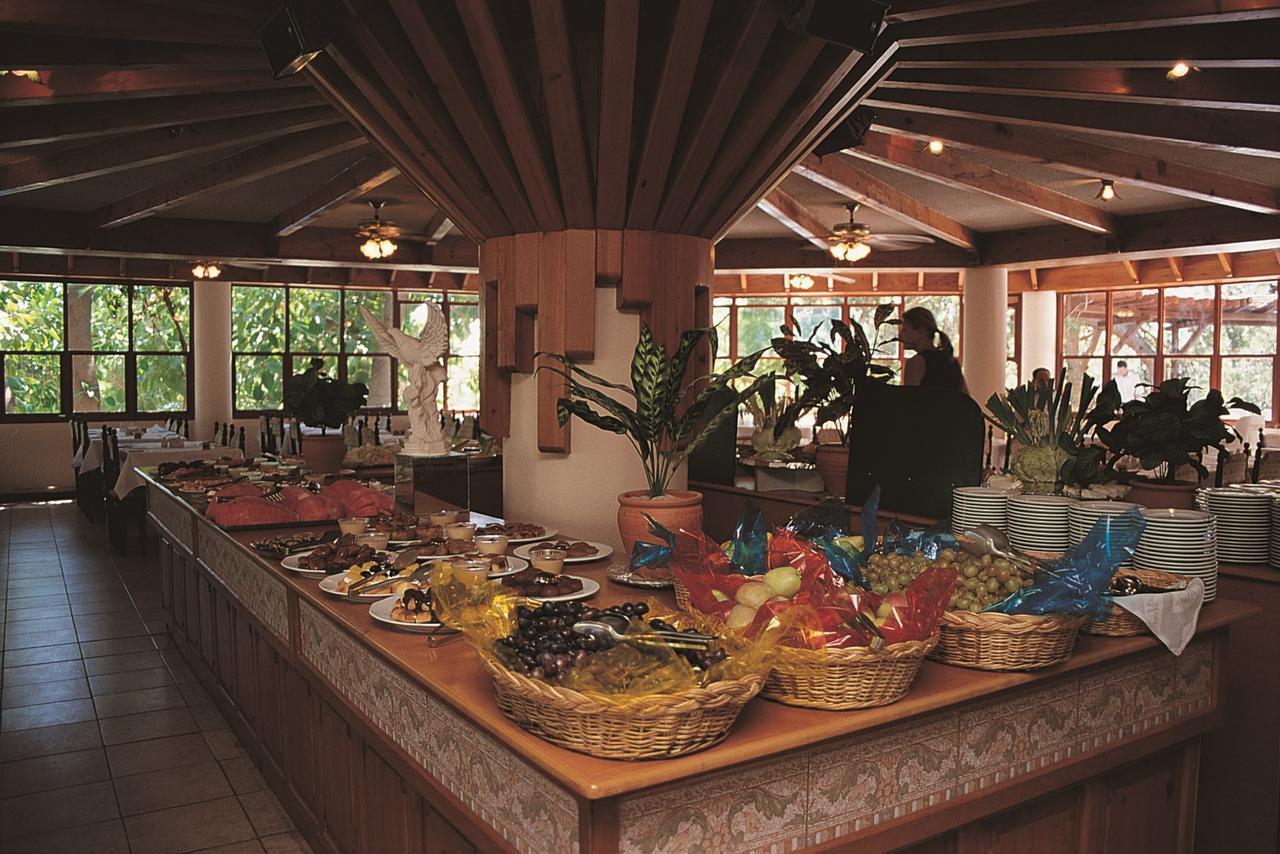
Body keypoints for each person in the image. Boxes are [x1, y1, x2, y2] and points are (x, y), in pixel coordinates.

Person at [900, 306, 967, 393]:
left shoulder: (916, 362)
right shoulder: (951, 360)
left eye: (904, 330)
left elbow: (909, 398)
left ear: (920, 331)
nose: (900, 334)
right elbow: (965, 397)